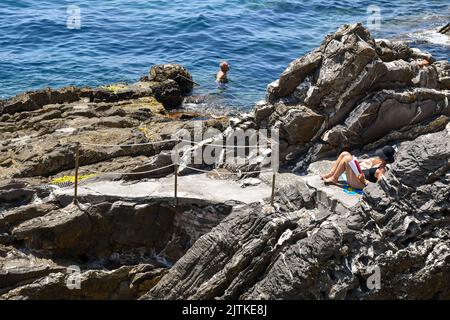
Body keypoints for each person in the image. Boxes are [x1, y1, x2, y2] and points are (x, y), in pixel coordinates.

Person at [320, 146, 396, 189]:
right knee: (345, 153)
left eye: (381, 155)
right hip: (358, 177)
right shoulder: (379, 162)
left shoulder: (381, 170)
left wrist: (364, 181)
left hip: (360, 184)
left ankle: (334, 178)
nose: (379, 156)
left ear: (384, 157)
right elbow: (368, 163)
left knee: (347, 159)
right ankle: (331, 174)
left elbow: (378, 187)